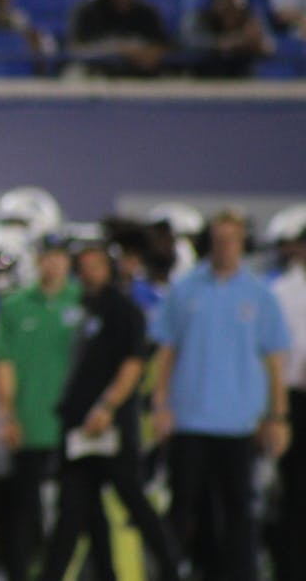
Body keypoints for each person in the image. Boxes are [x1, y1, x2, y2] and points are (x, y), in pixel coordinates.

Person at [152, 209, 291, 581]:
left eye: (232, 239)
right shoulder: (185, 289)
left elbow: (275, 360)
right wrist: (161, 404)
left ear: (242, 243)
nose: (225, 247)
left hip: (239, 421)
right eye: (218, 239)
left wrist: (277, 416)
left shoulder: (260, 294)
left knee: (239, 512)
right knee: (183, 508)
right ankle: (176, 570)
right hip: (190, 418)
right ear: (209, 242)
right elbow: (166, 352)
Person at [38, 242, 180, 581]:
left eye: (96, 266)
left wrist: (107, 406)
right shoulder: (78, 307)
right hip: (77, 429)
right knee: (74, 512)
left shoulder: (123, 310)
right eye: (83, 266)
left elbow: (133, 365)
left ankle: (174, 567)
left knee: (134, 503)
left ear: (110, 269)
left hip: (111, 428)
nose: (89, 273)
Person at [0, 235, 110, 581]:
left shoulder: (86, 302)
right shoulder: (14, 305)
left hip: (78, 427)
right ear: (37, 261)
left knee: (84, 510)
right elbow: (3, 365)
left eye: (59, 257)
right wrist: (8, 415)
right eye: (47, 257)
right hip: (30, 421)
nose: (53, 264)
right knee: (24, 510)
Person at [269, 222, 306, 581]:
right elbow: (274, 357)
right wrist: (276, 413)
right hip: (294, 401)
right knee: (295, 493)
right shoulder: (280, 291)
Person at [67, 0, 171, 77]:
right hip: (96, 75)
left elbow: (161, 48)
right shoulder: (87, 12)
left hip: (140, 78)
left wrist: (140, 53)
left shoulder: (147, 13)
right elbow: (76, 50)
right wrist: (119, 48)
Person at [180, 0, 273, 77]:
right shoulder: (198, 18)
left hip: (241, 78)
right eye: (226, 7)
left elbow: (269, 48)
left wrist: (255, 42)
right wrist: (222, 43)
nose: (232, 13)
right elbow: (187, 43)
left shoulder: (250, 17)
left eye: (236, 8)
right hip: (199, 77)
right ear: (214, 2)